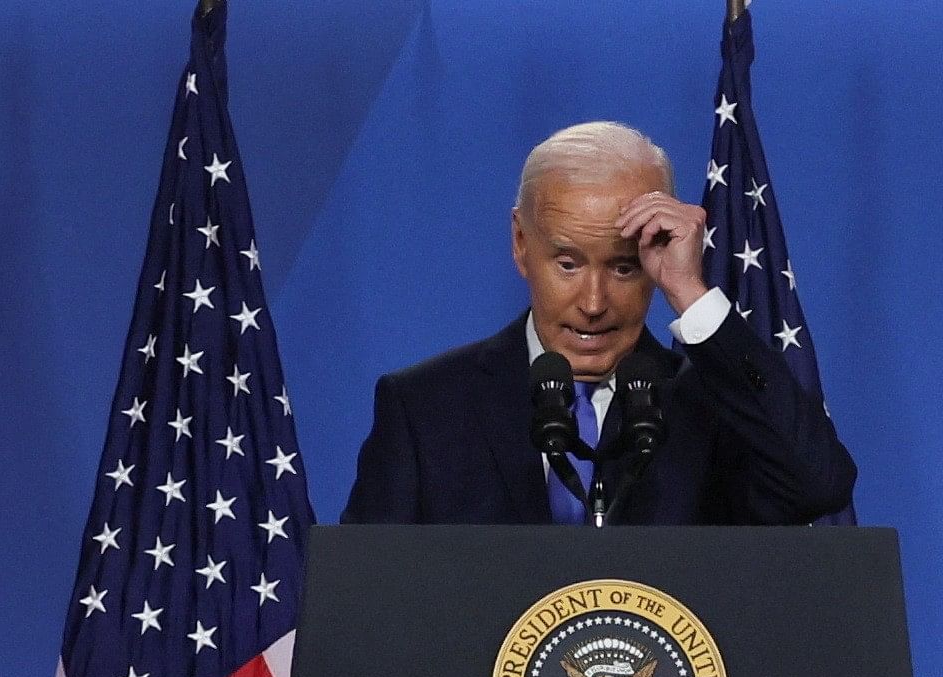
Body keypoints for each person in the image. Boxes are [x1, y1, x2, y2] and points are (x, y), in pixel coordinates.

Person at [341, 121, 855, 525]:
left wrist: (691, 294)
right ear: (521, 243)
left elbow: (817, 484)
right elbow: (368, 604)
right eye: (567, 264)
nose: (593, 302)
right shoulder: (426, 409)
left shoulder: (712, 410)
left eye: (624, 266)